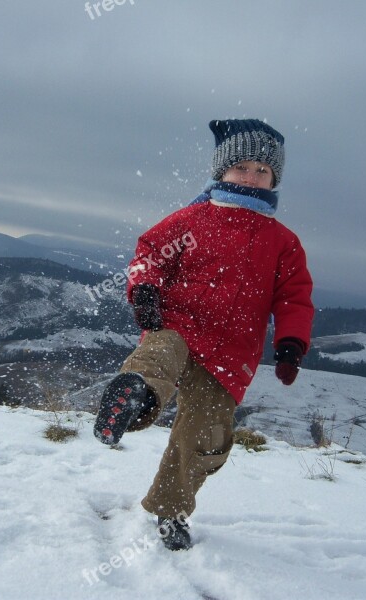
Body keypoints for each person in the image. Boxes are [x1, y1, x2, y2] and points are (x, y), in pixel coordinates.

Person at [93, 118, 314, 550]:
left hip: (232, 354)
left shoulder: (283, 242)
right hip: (177, 326)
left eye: (262, 170)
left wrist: (291, 343)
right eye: (243, 167)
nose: (252, 176)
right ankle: (133, 397)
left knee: (204, 436)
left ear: (274, 179)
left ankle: (170, 510)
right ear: (222, 170)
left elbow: (294, 298)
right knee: (158, 356)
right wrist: (145, 290)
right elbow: (150, 255)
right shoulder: (194, 219)